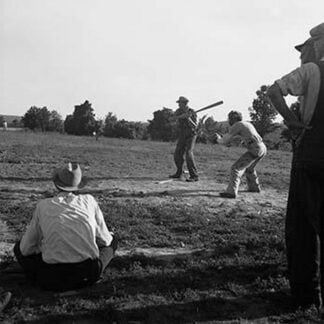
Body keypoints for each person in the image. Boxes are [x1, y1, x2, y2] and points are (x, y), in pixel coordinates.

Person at [267, 22, 324, 309]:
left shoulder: (312, 71)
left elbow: (274, 91)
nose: (304, 54)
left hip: (312, 156)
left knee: (302, 228)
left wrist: (292, 121)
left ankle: (305, 296)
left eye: (308, 48)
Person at [13, 162, 117, 292]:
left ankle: (39, 274)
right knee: (112, 242)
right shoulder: (89, 201)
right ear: (78, 186)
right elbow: (105, 240)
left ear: (56, 184)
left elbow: (25, 249)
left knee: (18, 248)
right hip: (87, 275)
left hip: (51, 278)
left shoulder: (43, 205)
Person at [214, 110, 267, 198]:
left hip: (255, 149)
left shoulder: (237, 125)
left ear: (234, 119)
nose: (229, 121)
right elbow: (239, 140)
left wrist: (218, 138)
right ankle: (254, 188)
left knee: (235, 168)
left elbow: (225, 140)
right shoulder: (246, 124)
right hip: (262, 147)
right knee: (249, 168)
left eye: (230, 118)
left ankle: (231, 192)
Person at [169, 96, 199, 182]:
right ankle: (179, 172)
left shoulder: (192, 112)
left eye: (180, 103)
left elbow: (195, 126)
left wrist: (188, 118)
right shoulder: (178, 111)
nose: (178, 104)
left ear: (185, 103)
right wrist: (180, 117)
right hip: (182, 134)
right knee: (177, 154)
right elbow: (171, 119)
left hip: (191, 134)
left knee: (188, 154)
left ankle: (194, 175)